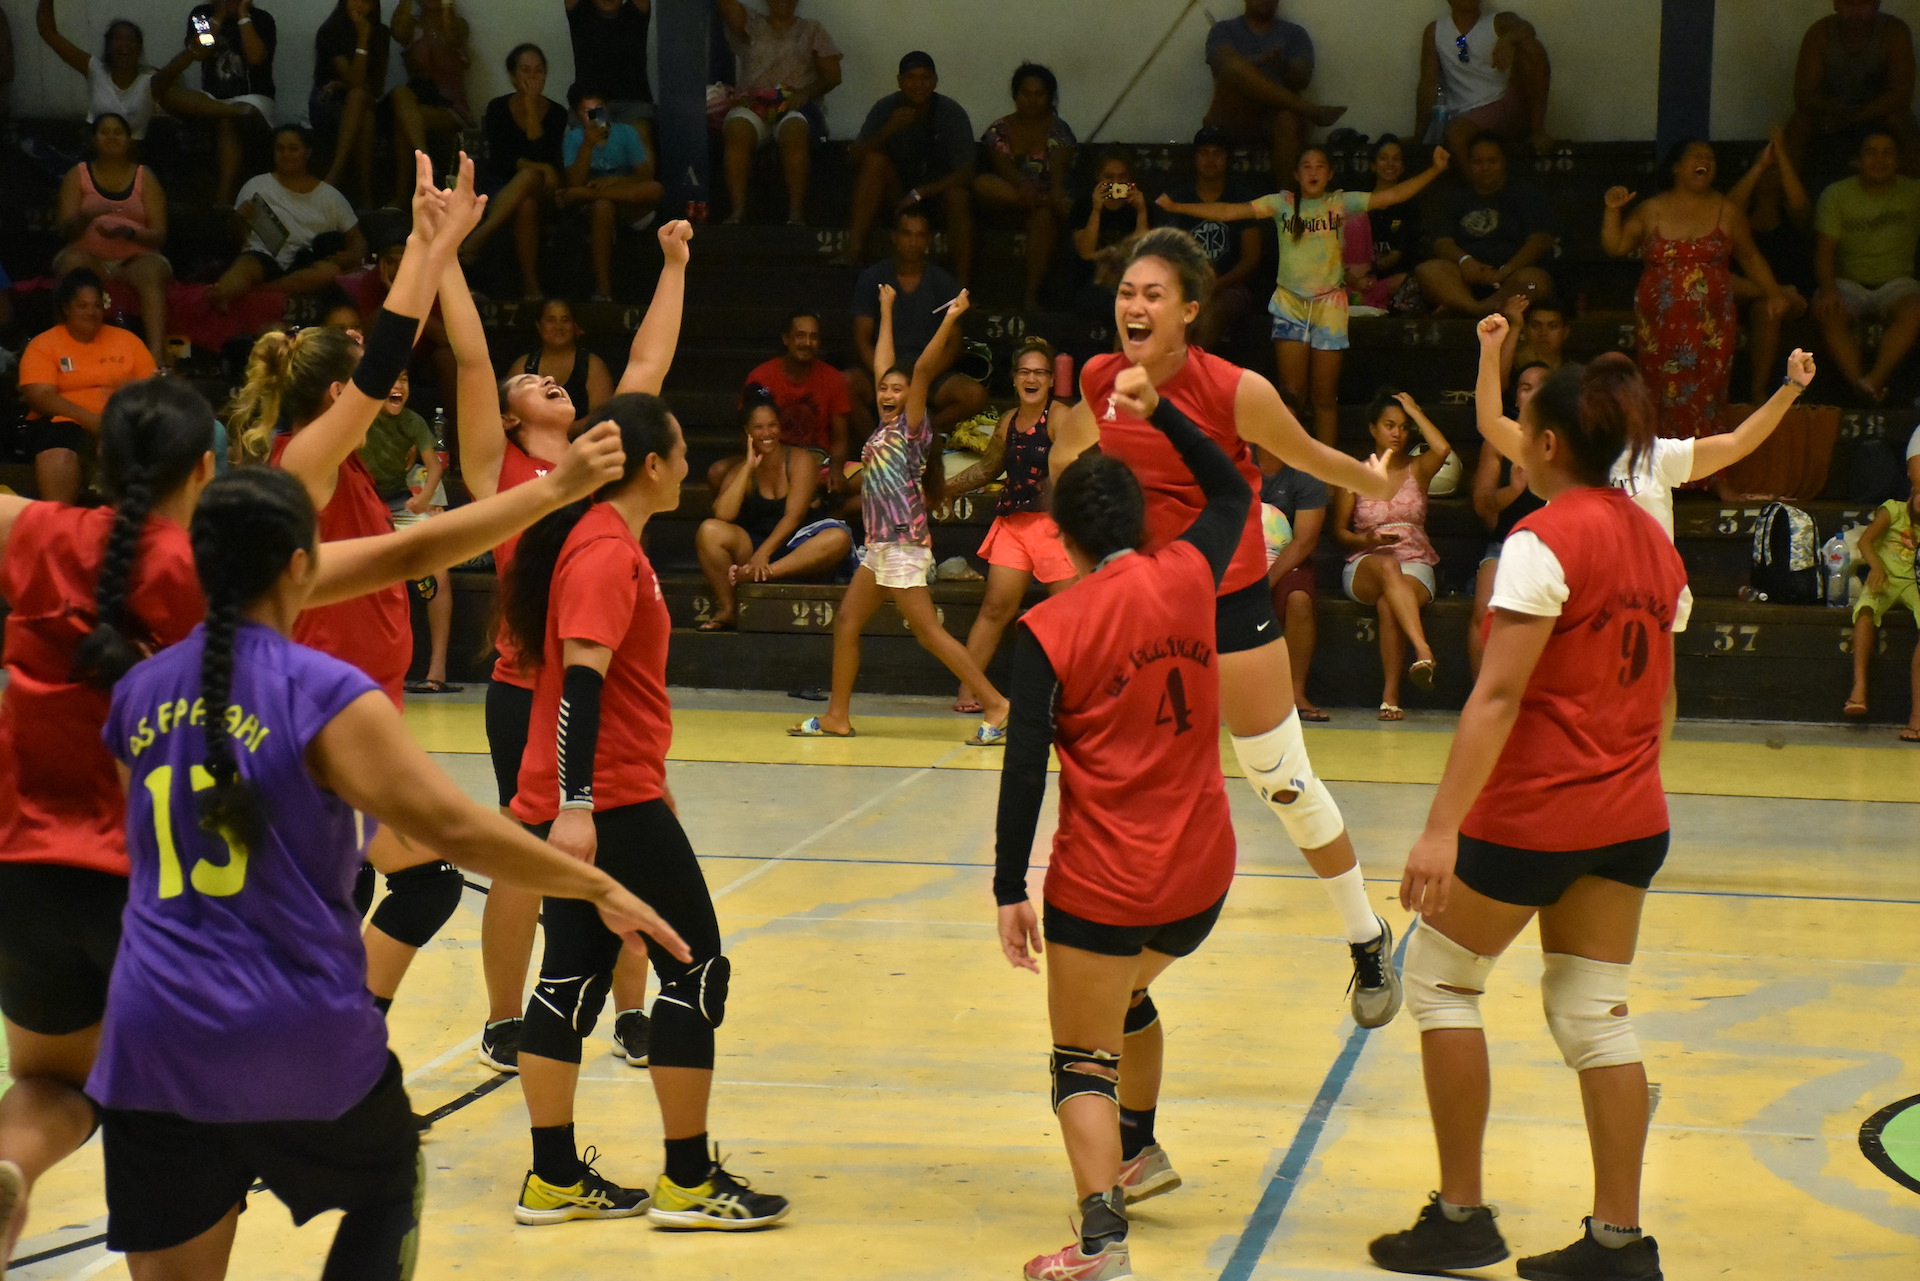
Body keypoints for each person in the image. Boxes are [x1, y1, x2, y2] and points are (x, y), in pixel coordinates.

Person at [0, 367, 637, 1271]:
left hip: (22, 876)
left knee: (52, 1083)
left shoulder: (35, 534)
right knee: (353, 1156)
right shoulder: (215, 574)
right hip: (154, 906)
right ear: (200, 472)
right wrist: (561, 491)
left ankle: (9, 1161)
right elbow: (407, 556)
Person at [1370, 356, 1688, 1281]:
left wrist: (1438, 830)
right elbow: (1663, 703)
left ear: (1546, 444)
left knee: (1437, 982)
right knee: (1594, 1016)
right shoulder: (1658, 544)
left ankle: (1463, 1217)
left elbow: (1498, 695)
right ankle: (1618, 1242)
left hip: (1535, 815)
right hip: (1632, 815)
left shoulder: (1542, 540)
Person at [1048, 227, 1406, 1026]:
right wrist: (1079, 563)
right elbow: (1068, 453)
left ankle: (1365, 933)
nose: (1133, 306)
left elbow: (1310, 453)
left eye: (1152, 295)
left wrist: (1372, 479)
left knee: (1282, 779)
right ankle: (1129, 949)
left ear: (1189, 313)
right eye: (1126, 293)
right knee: (1138, 783)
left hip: (1227, 599)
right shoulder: (1103, 377)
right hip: (1145, 610)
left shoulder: (1232, 388)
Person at [502, 393, 790, 1229]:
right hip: (608, 803)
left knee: (567, 980)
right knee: (695, 970)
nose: (691, 469)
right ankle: (689, 1181)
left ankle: (553, 1179)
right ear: (651, 465)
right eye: (679, 452)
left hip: (616, 791)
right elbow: (578, 690)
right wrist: (580, 804)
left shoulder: (607, 542)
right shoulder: (603, 552)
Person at [994, 363, 1252, 1281]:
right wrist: (1167, 413)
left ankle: (1101, 1246)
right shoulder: (1189, 570)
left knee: (1078, 1059)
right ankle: (1140, 1149)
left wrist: (1004, 887)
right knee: (1131, 995)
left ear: (1059, 537)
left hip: (1109, 880)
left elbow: (1026, 765)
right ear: (1143, 521)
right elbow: (1230, 486)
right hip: (1203, 875)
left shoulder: (1051, 627)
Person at [225, 154, 483, 1017]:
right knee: (426, 880)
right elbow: (385, 362)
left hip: (366, 710)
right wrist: (424, 251)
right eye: (364, 378)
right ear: (338, 392)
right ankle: (339, 1042)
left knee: (359, 890)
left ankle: (321, 1050)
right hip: (324, 725)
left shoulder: (341, 467)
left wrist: (427, 245)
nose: (383, 382)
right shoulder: (308, 459)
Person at [453, 221, 693, 1075]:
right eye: (534, 382)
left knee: (621, 842)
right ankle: (502, 1018)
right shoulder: (501, 473)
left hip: (604, 686)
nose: (548, 379)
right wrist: (442, 259)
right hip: (526, 686)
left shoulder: (603, 454)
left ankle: (631, 1014)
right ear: (512, 419)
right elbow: (476, 362)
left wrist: (673, 265)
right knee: (524, 857)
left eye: (552, 376)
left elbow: (646, 372)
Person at [1475, 314, 1815, 732]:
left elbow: (1737, 444)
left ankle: (1643, 770)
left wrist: (1791, 387)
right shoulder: (1560, 454)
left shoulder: (1656, 455)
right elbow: (1491, 423)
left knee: (1659, 692)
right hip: (1579, 591)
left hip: (1648, 591)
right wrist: (1490, 352)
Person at [789, 288, 1009, 743]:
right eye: (884, 388)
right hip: (879, 546)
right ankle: (837, 715)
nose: (887, 392)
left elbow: (923, 369)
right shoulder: (884, 425)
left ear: (912, 398)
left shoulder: (912, 427)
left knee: (928, 634)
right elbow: (883, 363)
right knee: (848, 622)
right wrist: (886, 308)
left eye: (897, 389)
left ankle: (996, 703)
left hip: (903, 544)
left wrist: (951, 318)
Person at [1157, 142, 1448, 446]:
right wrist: (1178, 207)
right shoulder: (1281, 204)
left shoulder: (1340, 202)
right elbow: (1230, 211)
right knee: (1292, 396)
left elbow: (1392, 196)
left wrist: (1434, 170)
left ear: (1330, 173)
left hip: (1330, 306)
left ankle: (1326, 471)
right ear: (1296, 174)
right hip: (1290, 304)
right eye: (1306, 166)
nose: (1313, 172)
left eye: (1320, 166)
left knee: (1324, 399)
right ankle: (1293, 466)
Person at [1602, 141, 1791, 451]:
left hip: (1711, 327)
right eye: (1696, 155)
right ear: (1677, 166)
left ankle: (1713, 476)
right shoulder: (1651, 209)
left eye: (1710, 157)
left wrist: (1774, 294)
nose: (1705, 160)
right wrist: (1612, 211)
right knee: (1658, 393)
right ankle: (1658, 472)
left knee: (1710, 395)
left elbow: (1751, 258)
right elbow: (1616, 245)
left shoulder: (1726, 210)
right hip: (1659, 327)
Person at [941, 337, 1077, 712]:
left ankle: (1074, 696)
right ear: (1015, 379)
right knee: (995, 607)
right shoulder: (1008, 421)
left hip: (1056, 526)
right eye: (1024, 372)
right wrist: (944, 490)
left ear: (1051, 380)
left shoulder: (1062, 418)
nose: (1031, 378)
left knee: (1067, 613)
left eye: (1039, 373)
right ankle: (970, 690)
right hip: (1014, 525)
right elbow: (988, 468)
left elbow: (1078, 468)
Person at [1331, 391, 1452, 721]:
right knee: (1387, 566)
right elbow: (1339, 533)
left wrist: (1416, 409)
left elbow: (1442, 449)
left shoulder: (1419, 468)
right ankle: (1423, 650)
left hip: (1415, 560)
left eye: (1403, 426)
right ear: (1373, 429)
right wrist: (1367, 538)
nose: (1397, 433)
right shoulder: (1354, 472)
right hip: (1367, 561)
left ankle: (1390, 697)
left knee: (1390, 602)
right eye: (1389, 425)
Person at [695, 395, 855, 631]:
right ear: (747, 432)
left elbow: (795, 516)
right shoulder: (743, 469)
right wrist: (748, 467)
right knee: (708, 531)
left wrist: (762, 557)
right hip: (755, 545)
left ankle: (759, 576)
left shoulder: (800, 460)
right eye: (758, 427)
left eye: (772, 425)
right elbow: (722, 515)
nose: (767, 433)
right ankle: (729, 610)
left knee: (838, 538)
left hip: (798, 547)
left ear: (780, 427)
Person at [356, 370, 458, 695]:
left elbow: (436, 466)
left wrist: (424, 499)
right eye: (391, 379)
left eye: (404, 380)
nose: (397, 386)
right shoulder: (358, 417)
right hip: (361, 503)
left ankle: (437, 670)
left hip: (400, 503)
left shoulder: (413, 421)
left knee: (438, 568)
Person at [847, 208, 989, 440]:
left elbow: (953, 345)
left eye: (919, 235)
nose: (912, 242)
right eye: (906, 234)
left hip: (927, 373)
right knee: (845, 384)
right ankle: (874, 443)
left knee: (974, 394)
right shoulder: (873, 278)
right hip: (884, 369)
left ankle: (917, 436)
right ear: (895, 237)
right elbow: (862, 338)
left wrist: (921, 381)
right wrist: (886, 380)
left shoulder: (942, 282)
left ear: (928, 240)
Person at [18, 268, 157, 504]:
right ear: (66, 308)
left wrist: (117, 420)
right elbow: (39, 396)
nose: (91, 312)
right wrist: (90, 419)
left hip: (122, 419)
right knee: (57, 455)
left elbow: (153, 388)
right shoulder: (44, 345)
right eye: (83, 306)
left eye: (96, 305)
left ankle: (126, 529)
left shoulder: (128, 341)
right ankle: (61, 530)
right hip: (63, 422)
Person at [841, 52, 975, 282]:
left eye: (925, 78)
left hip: (936, 196)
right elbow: (855, 157)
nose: (918, 85)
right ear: (900, 81)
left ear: (935, 81)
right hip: (896, 195)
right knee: (874, 161)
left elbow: (967, 172)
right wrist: (888, 129)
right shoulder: (886, 108)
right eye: (911, 78)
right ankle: (853, 252)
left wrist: (922, 192)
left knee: (959, 197)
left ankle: (962, 287)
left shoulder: (951, 112)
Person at [51, 114, 172, 366]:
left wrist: (128, 233)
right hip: (89, 257)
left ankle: (156, 361)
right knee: (69, 264)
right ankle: (65, 354)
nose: (111, 137)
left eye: (118, 132)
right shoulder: (78, 175)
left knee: (152, 271)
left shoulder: (144, 176)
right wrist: (87, 216)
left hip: (135, 259)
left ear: (129, 140)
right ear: (94, 140)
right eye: (104, 132)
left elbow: (160, 234)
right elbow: (65, 231)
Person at [1812, 130, 1920, 404]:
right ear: (1858, 160)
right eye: (1871, 152)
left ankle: (1873, 381)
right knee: (1828, 311)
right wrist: (1827, 291)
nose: (1880, 159)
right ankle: (1861, 387)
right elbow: (1824, 253)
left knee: (1917, 308)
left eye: (1888, 153)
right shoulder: (1837, 194)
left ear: (1898, 160)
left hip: (1897, 282)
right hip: (1849, 283)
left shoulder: (1914, 192)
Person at [714, 0, 843, 226]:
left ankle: (795, 215)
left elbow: (833, 76)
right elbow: (725, 5)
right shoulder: (752, 23)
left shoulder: (812, 29)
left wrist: (806, 93)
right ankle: (737, 212)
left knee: (794, 131)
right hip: (754, 101)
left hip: (794, 103)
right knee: (736, 129)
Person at [213, 126, 365, 311]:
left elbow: (357, 238)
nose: (286, 154)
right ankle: (220, 293)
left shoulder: (330, 196)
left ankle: (258, 293)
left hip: (306, 262)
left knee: (329, 272)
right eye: (280, 148)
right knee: (246, 266)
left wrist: (354, 255)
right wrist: (239, 219)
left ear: (306, 152)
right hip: (263, 256)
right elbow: (237, 237)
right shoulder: (256, 185)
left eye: (293, 149)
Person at [34, 4, 232, 142]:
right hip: (95, 163)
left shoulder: (150, 83)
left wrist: (204, 40)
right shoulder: (93, 69)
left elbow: (186, 58)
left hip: (133, 168)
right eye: (118, 39)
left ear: (139, 48)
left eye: (131, 40)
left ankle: (240, 109)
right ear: (108, 45)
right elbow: (48, 31)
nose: (124, 45)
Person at [463, 44, 568, 300]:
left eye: (538, 70)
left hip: (545, 189)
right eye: (525, 70)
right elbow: (503, 159)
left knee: (532, 182)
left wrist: (532, 109)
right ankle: (531, 287)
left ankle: (478, 238)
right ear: (512, 76)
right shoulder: (498, 108)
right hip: (503, 185)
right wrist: (541, 167)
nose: (532, 77)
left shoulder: (557, 113)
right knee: (526, 204)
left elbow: (543, 154)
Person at [1415, 132, 1557, 316]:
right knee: (1428, 270)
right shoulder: (1454, 197)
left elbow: (1539, 240)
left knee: (1535, 281)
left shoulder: (1524, 194)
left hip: (1511, 277)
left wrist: (1505, 270)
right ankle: (1476, 309)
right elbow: (1442, 242)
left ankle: (1472, 310)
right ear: (1469, 163)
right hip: (1466, 280)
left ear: (1503, 161)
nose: (1485, 167)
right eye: (1478, 162)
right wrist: (1466, 261)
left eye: (1492, 161)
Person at [1202, 0, 1345, 182]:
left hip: (1276, 118)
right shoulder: (1223, 30)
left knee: (1287, 120)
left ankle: (1289, 205)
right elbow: (1224, 64)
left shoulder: (1295, 34)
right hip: (1234, 116)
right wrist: (1260, 60)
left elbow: (1302, 79)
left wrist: (1284, 67)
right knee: (1233, 68)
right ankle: (1310, 110)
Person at [974, 63, 1077, 309]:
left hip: (1043, 205)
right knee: (982, 184)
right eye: (1026, 94)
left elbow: (1059, 179)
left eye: (1038, 95)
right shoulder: (999, 129)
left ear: (1049, 97)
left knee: (1045, 217)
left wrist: (1053, 198)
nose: (1032, 101)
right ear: (1016, 95)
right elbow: (1002, 169)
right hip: (1007, 202)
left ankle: (1031, 296)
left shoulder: (1059, 131)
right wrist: (1022, 185)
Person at [1468, 361, 1547, 680]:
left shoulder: (1569, 439)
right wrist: (1514, 490)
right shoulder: (1498, 441)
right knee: (1484, 608)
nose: (1533, 393)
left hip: (1555, 544)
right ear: (1517, 398)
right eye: (1525, 387)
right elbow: (1482, 504)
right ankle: (1479, 698)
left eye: (1541, 386)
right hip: (1507, 541)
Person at [1155, 124, 1263, 352]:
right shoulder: (1179, 199)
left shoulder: (1242, 198)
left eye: (1217, 153)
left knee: (1211, 314)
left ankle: (1192, 379)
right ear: (1195, 158)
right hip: (1188, 285)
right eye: (1204, 153)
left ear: (1227, 158)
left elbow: (1251, 259)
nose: (1210, 159)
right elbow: (1170, 254)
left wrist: (1215, 285)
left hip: (1232, 286)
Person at [1785, 0, 1920, 179]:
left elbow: (1901, 94)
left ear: (1876, 3)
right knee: (1798, 123)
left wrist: (1857, 116)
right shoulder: (1820, 33)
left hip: (1880, 110)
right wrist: (1831, 108)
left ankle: (1913, 197)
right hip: (1832, 110)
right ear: (1835, 4)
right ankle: (1789, 198)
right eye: (1849, 4)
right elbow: (1803, 94)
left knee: (1904, 122)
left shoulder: (1894, 32)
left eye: (1862, 4)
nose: (1855, 12)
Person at [1729, 129, 1815, 404]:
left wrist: (1782, 155)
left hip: (1786, 301)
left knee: (1767, 309)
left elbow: (1800, 206)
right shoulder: (1738, 216)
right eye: (1767, 167)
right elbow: (1726, 210)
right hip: (1746, 292)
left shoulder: (1794, 217)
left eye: (1776, 168)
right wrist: (1761, 164)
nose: (1770, 172)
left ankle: (1758, 391)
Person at [559, 84, 663, 302]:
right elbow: (574, 181)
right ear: (578, 115)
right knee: (602, 206)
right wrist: (587, 147)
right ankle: (603, 289)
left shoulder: (626, 132)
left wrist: (612, 183)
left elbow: (645, 176)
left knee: (655, 189)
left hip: (623, 198)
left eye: (599, 109)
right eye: (588, 111)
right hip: (594, 208)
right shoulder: (574, 139)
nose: (596, 116)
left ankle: (597, 196)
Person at [1415, 1, 1553, 164]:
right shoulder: (1435, 31)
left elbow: (1527, 28)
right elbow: (1427, 85)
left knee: (1531, 47)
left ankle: (1538, 130)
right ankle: (1482, 187)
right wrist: (1418, 137)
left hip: (1506, 106)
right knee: (1455, 136)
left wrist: (1508, 39)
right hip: (1467, 116)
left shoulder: (1500, 21)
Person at [739, 310, 852, 483]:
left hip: (821, 465)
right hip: (771, 463)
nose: (807, 343)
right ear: (786, 339)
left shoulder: (834, 378)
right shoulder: (762, 378)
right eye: (800, 336)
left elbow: (841, 438)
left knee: (872, 480)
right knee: (718, 473)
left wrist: (836, 470)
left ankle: (836, 511)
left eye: (813, 337)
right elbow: (746, 430)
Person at [185, 0, 279, 206]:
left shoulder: (262, 19)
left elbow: (256, 58)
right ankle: (231, 111)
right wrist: (218, 16)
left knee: (227, 120)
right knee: (176, 95)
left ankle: (222, 199)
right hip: (212, 98)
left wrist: (243, 15)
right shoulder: (201, 15)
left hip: (254, 97)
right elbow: (201, 51)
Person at [1260, 448, 1329, 721]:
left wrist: (1267, 581)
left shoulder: (1306, 474)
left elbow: (1304, 541)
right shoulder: (1236, 462)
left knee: (1299, 598)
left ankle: (1295, 692)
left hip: (1286, 559)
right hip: (1238, 557)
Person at [1845, 489, 1920, 738]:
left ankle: (1916, 718)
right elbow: (1865, 541)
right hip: (1884, 578)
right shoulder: (1894, 510)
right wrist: (1876, 566)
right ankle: (1859, 688)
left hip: (1914, 583)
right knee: (1866, 611)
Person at [387, 0, 475, 200]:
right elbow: (398, 33)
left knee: (404, 121)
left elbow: (453, 37)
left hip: (451, 106)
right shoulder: (412, 24)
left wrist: (446, 7)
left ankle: (403, 196)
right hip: (419, 101)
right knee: (400, 96)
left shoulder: (458, 24)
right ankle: (426, 164)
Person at [309, 0, 387, 207]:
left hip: (362, 99)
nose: (360, 4)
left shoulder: (380, 33)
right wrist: (362, 41)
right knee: (362, 108)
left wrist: (349, 85)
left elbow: (376, 87)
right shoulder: (331, 31)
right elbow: (356, 83)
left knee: (360, 102)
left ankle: (335, 177)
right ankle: (364, 194)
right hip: (327, 100)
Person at [507, 299, 614, 434]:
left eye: (565, 320)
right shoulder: (522, 366)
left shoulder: (593, 365)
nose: (559, 326)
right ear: (539, 326)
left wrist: (558, 433)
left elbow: (602, 416)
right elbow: (510, 414)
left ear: (574, 326)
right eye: (551, 320)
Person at [565, 0, 653, 143]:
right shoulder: (581, 14)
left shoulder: (634, 13)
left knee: (639, 137)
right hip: (594, 105)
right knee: (600, 141)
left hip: (632, 104)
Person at [1350, 135, 1422, 311]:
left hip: (1393, 280)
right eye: (1384, 158)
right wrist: (1356, 278)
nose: (1390, 164)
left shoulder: (1409, 207)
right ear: (1373, 165)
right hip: (1354, 280)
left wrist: (1371, 271)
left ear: (1403, 166)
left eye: (1396, 159)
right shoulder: (1358, 203)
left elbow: (1396, 255)